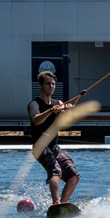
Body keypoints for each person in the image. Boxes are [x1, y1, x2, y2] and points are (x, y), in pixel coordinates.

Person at [27, 71, 79, 206]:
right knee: (55, 170)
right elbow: (36, 120)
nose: (51, 86)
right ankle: (55, 203)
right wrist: (51, 110)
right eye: (48, 84)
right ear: (41, 85)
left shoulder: (58, 103)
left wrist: (67, 111)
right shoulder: (34, 104)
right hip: (40, 146)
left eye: (53, 84)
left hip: (54, 147)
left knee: (74, 175)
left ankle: (63, 204)